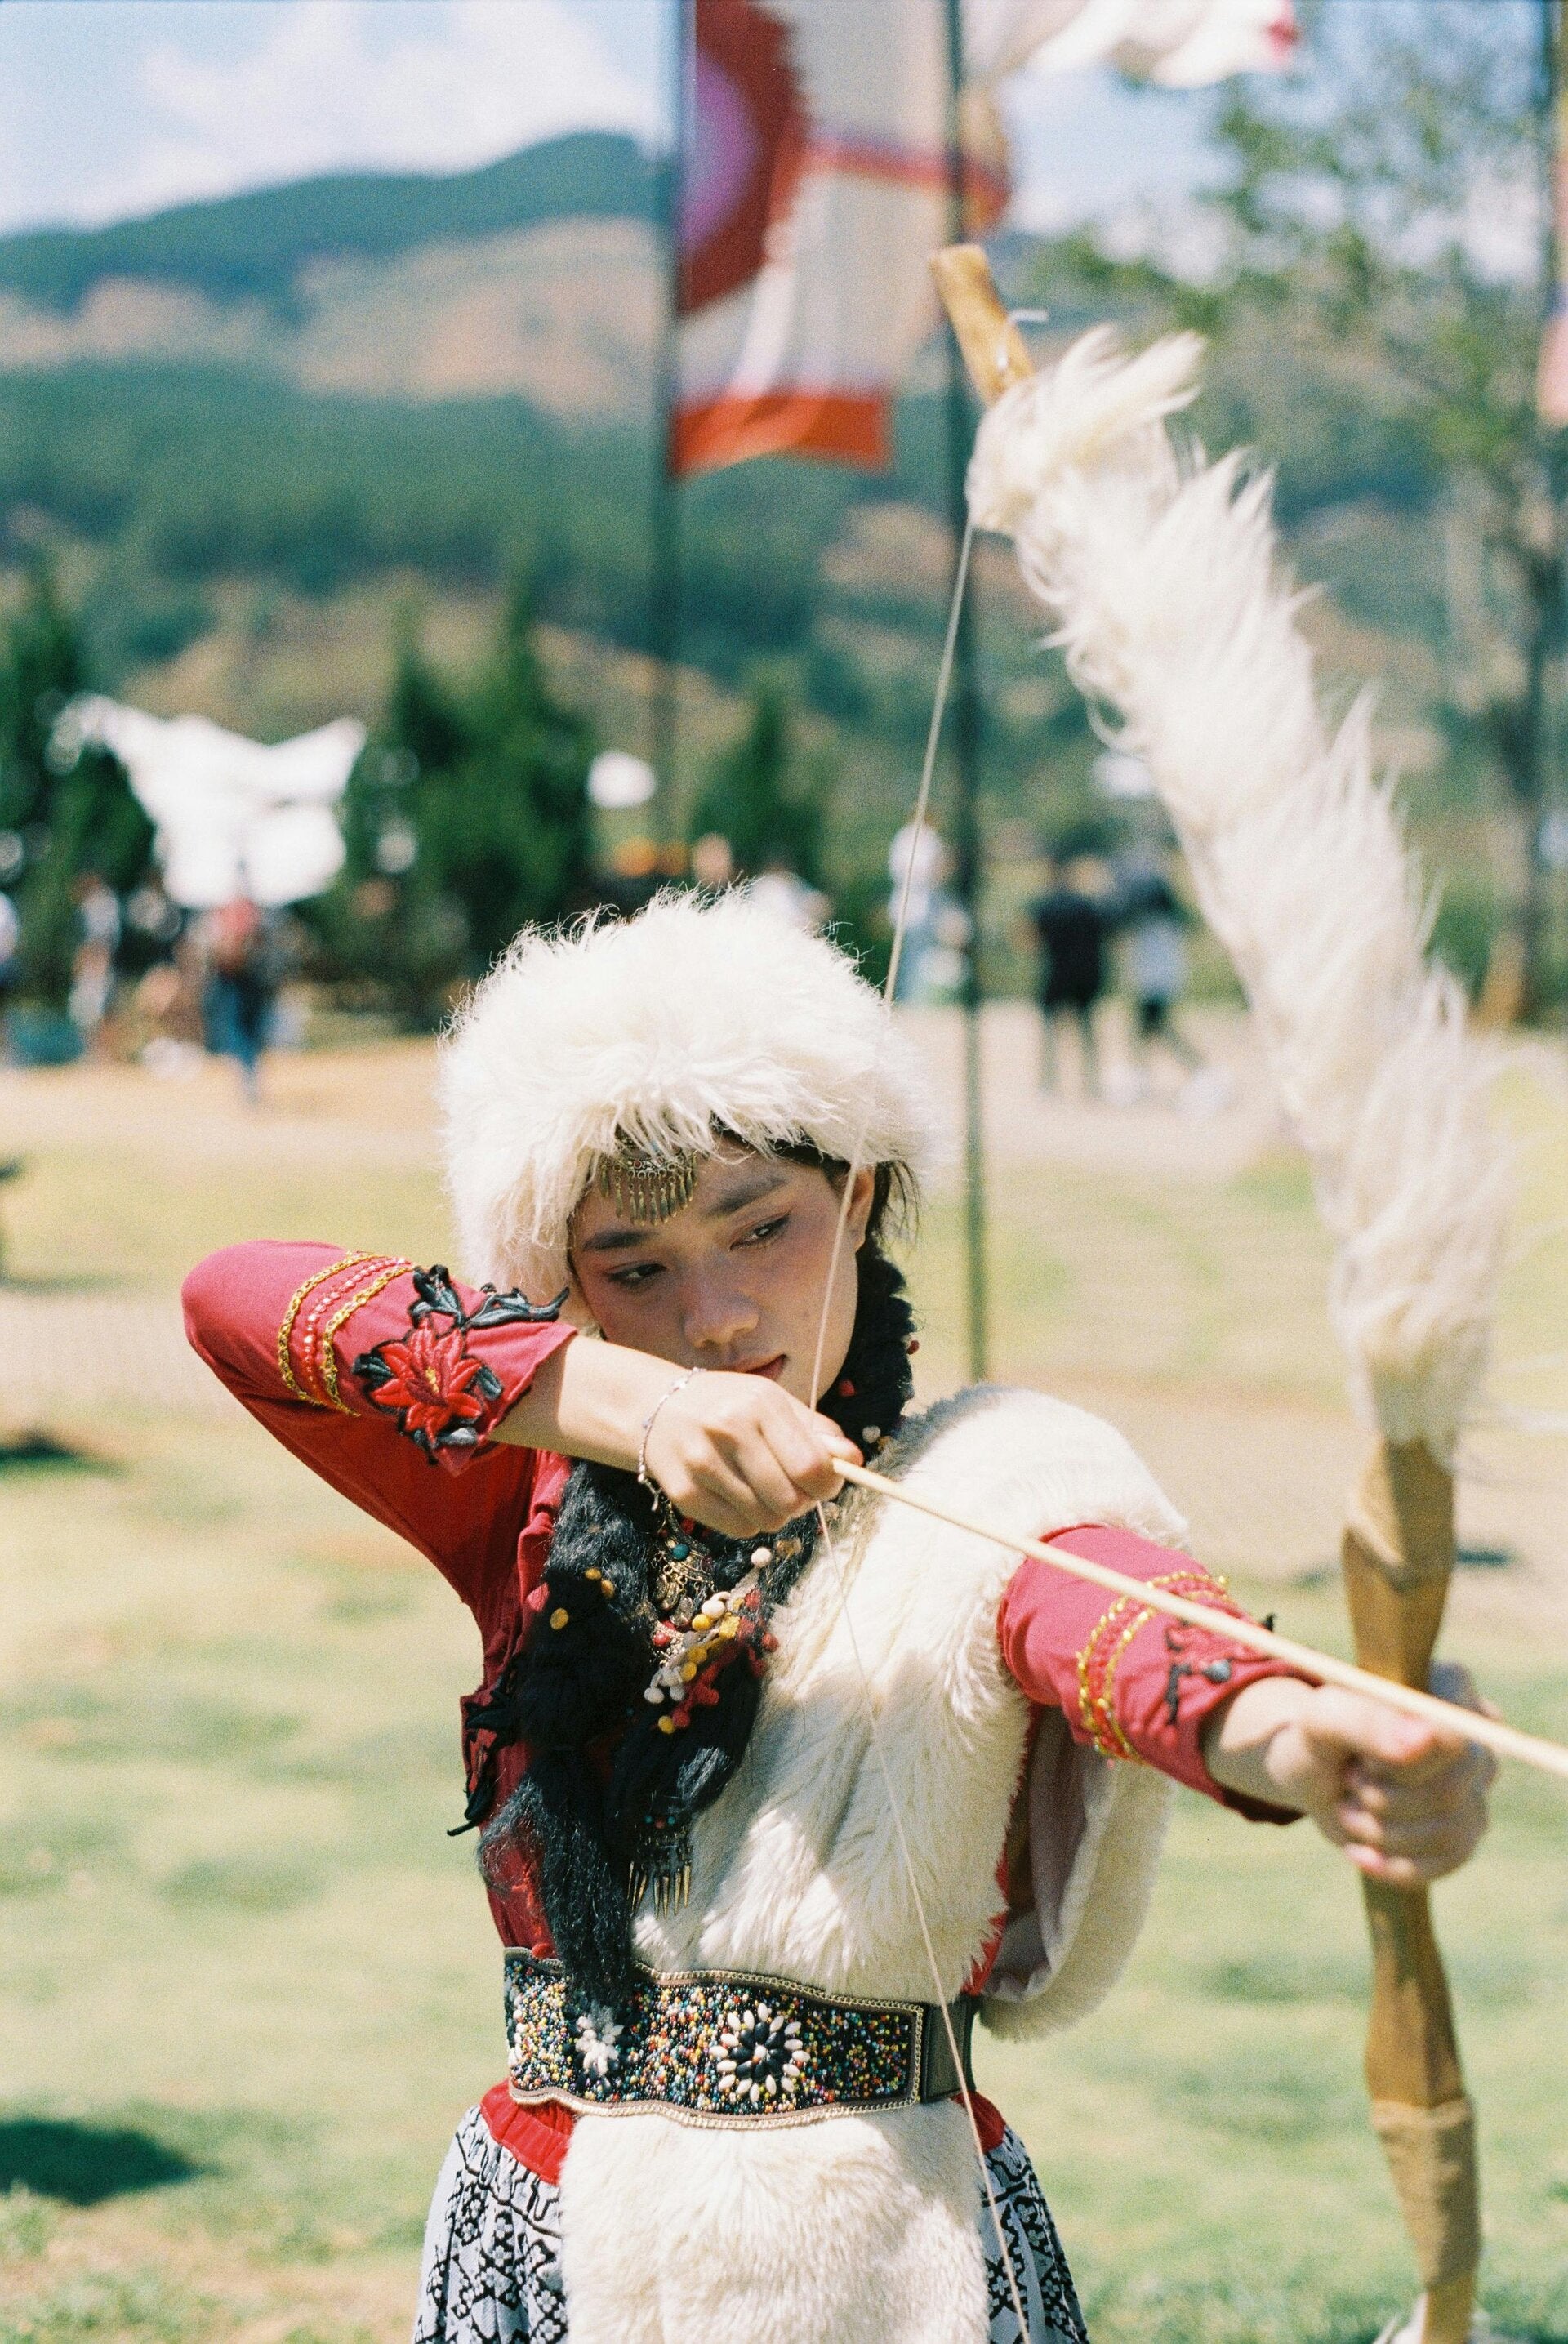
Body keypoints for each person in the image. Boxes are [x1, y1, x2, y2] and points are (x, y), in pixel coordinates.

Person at [181, 895, 1493, 2344]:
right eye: (637, 1268)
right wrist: (632, 1405)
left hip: (881, 2255)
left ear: (858, 1196)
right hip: (550, 2229)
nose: (718, 1316)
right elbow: (233, 1301)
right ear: (563, 1281)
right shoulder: (533, 1496)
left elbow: (1113, 1630)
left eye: (764, 1229)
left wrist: (1302, 1736)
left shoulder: (990, 1483)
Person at [1027, 856, 1108, 1097]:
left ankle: (1049, 1084)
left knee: (1052, 1032)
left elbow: (1029, 939)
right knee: (1086, 1030)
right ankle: (1091, 1083)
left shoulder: (1046, 905)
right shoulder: (1088, 906)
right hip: (1086, 974)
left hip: (1057, 974)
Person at [1118, 865, 1202, 1084]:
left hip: (1153, 985)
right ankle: (1142, 1073)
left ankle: (1196, 1069)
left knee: (1154, 1030)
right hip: (1161, 983)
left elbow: (1150, 961)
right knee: (1148, 1031)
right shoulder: (1170, 924)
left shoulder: (1154, 927)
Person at [197, 893, 278, 1102]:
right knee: (238, 1032)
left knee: (248, 1031)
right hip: (231, 980)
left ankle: (248, 1075)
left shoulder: (255, 913)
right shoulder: (222, 913)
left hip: (250, 980)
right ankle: (247, 1075)